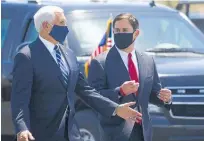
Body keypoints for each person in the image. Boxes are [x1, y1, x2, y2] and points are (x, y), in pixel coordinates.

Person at [11, 7, 141, 141]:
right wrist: (22, 128)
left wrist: (116, 109)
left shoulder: (68, 54)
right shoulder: (27, 57)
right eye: (62, 23)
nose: (66, 27)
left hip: (70, 133)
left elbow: (85, 91)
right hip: (40, 134)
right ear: (46, 26)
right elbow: (19, 100)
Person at [87, 13, 172, 141]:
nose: (120, 34)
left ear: (136, 33)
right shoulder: (100, 62)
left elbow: (153, 93)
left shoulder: (148, 60)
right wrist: (120, 92)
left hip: (143, 132)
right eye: (117, 31)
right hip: (116, 133)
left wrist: (165, 99)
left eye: (125, 30)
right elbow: (93, 98)